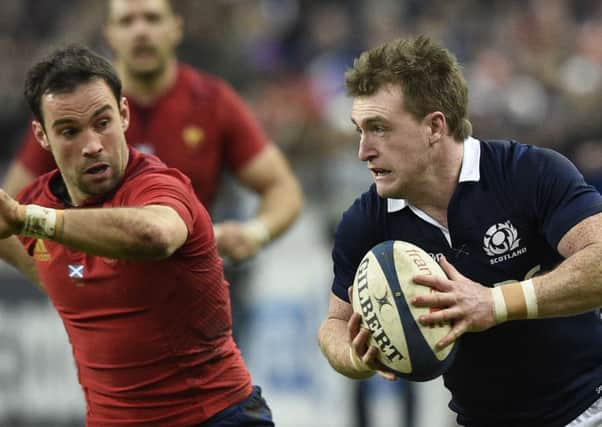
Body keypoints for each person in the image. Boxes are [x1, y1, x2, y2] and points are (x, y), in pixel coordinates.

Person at [318, 35, 602, 427]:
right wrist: (354, 358)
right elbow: (333, 323)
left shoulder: (528, 172)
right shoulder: (367, 221)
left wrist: (495, 303)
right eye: (359, 130)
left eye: (379, 128)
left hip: (589, 407)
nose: (363, 150)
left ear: (434, 126)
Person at [0, 44, 274, 427]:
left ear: (124, 114)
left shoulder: (160, 187)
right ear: (42, 136)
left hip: (213, 418)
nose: (92, 145)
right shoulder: (34, 208)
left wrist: (30, 219)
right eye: (69, 131)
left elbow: (155, 236)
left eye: (102, 122)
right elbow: (25, 247)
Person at [4, 0, 303, 265]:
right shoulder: (76, 109)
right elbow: (9, 211)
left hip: (194, 282)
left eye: (152, 18)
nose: (140, 32)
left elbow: (282, 188)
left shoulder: (212, 101)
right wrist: (62, 285)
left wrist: (255, 232)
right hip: (106, 301)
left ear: (176, 28)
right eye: (127, 21)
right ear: (109, 33)